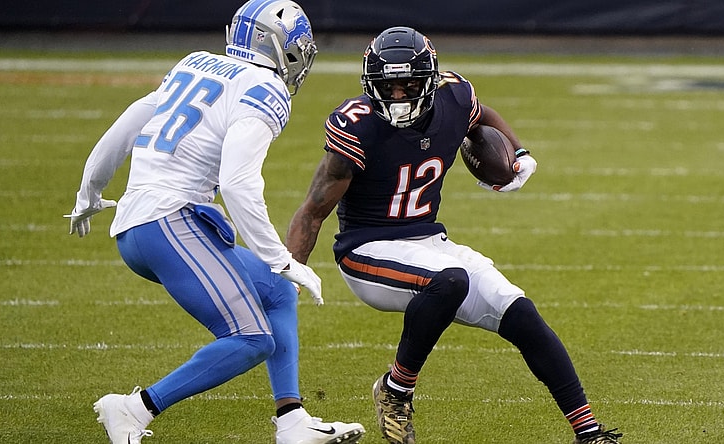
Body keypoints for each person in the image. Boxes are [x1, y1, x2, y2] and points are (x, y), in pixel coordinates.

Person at [285, 26, 623, 444]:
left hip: (428, 242)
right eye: (387, 87)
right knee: (450, 279)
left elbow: (481, 114)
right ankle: (395, 391)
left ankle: (590, 434)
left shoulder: (454, 94)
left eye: (407, 85)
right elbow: (313, 210)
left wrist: (517, 153)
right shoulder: (357, 125)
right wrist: (289, 273)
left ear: (429, 81)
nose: (397, 97)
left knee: (520, 312)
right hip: (365, 249)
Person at [65, 1, 365, 443]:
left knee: (276, 292)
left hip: (144, 225)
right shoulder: (266, 88)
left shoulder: (196, 63)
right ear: (279, 46)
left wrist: (89, 190)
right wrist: (280, 257)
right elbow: (238, 182)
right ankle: (134, 407)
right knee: (252, 337)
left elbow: (128, 122)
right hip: (169, 224)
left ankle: (292, 421)